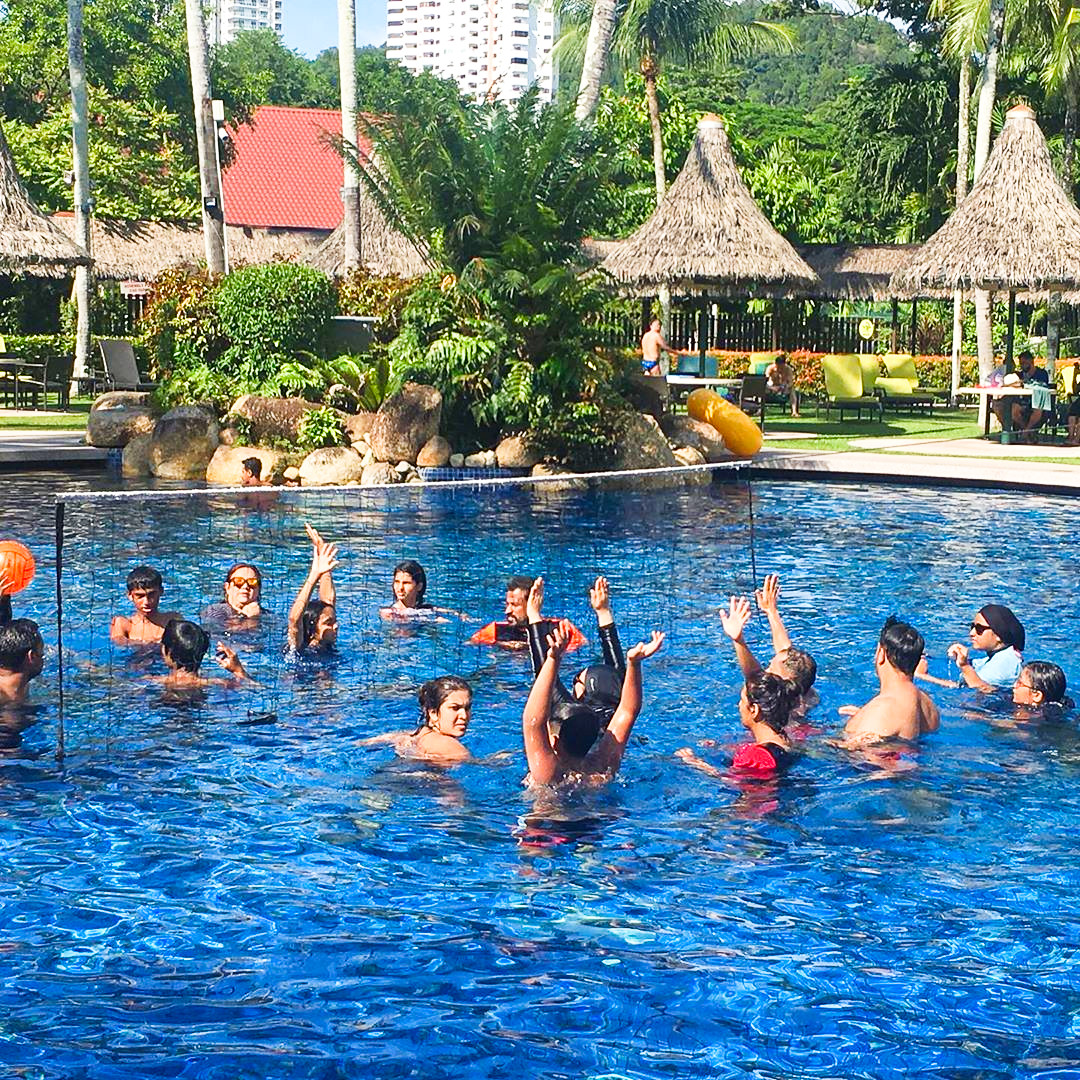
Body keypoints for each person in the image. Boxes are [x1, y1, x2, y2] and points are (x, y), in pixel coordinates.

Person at [521, 619, 664, 788]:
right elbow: (627, 711)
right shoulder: (602, 767)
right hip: (608, 813)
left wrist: (553, 659)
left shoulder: (550, 773)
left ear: (555, 742)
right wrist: (634, 663)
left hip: (553, 814)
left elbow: (533, 721)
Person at [525, 575, 624, 728]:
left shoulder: (570, 721)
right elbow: (617, 676)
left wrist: (533, 614)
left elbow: (545, 678)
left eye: (576, 681)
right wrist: (604, 613)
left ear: (582, 693)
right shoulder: (620, 720)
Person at [719, 579, 818, 713]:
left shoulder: (777, 705)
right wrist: (771, 612)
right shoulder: (806, 693)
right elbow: (785, 653)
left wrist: (738, 640)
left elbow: (754, 674)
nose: (766, 669)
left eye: (770, 668)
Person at [677, 669, 800, 777]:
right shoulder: (785, 741)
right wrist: (719, 747)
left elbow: (732, 781)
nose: (739, 705)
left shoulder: (756, 755)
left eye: (742, 700)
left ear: (754, 710)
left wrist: (694, 762)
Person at [841, 616, 939, 743]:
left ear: (881, 653)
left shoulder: (882, 711)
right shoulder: (929, 706)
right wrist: (863, 717)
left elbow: (858, 758)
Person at [360, 676, 474, 763]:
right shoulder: (450, 746)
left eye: (467, 708)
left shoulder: (412, 735)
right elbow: (476, 766)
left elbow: (364, 743)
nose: (464, 715)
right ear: (433, 713)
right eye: (455, 708)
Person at [919, 604, 1025, 692]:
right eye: (972, 627)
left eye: (979, 629)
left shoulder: (1003, 664)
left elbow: (974, 688)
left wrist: (923, 676)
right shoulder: (1002, 655)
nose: (972, 633)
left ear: (999, 635)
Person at [469, 575, 584, 652]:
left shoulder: (560, 629)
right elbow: (469, 646)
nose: (507, 611)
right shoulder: (495, 630)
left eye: (514, 605)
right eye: (507, 604)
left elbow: (581, 652)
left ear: (532, 603)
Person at [157, 619, 253, 690]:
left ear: (167, 651)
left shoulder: (153, 682)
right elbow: (256, 688)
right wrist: (239, 671)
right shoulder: (218, 683)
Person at [287, 524, 339, 654]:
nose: (336, 626)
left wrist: (324, 565)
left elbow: (328, 600)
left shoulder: (326, 644)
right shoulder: (299, 646)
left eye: (334, 621)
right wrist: (315, 574)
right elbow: (294, 619)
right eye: (329, 623)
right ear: (311, 630)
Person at [110, 566, 184, 645]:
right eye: (140, 596)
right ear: (130, 595)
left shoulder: (172, 620)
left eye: (151, 594)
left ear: (161, 591)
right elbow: (119, 642)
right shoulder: (123, 623)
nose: (146, 602)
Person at [379, 560, 459, 621]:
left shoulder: (425, 609)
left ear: (419, 586)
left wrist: (460, 615)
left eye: (406, 583)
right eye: (397, 582)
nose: (400, 588)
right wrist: (432, 621)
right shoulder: (389, 612)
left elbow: (446, 611)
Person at [200, 562, 263, 627]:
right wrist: (251, 619)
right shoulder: (214, 610)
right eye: (239, 581)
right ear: (227, 587)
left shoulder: (266, 614)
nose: (245, 586)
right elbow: (221, 634)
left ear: (258, 589)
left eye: (252, 582)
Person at [0, 619, 44, 706]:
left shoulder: (22, 686)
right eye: (41, 653)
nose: (43, 659)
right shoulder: (3, 698)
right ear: (32, 657)